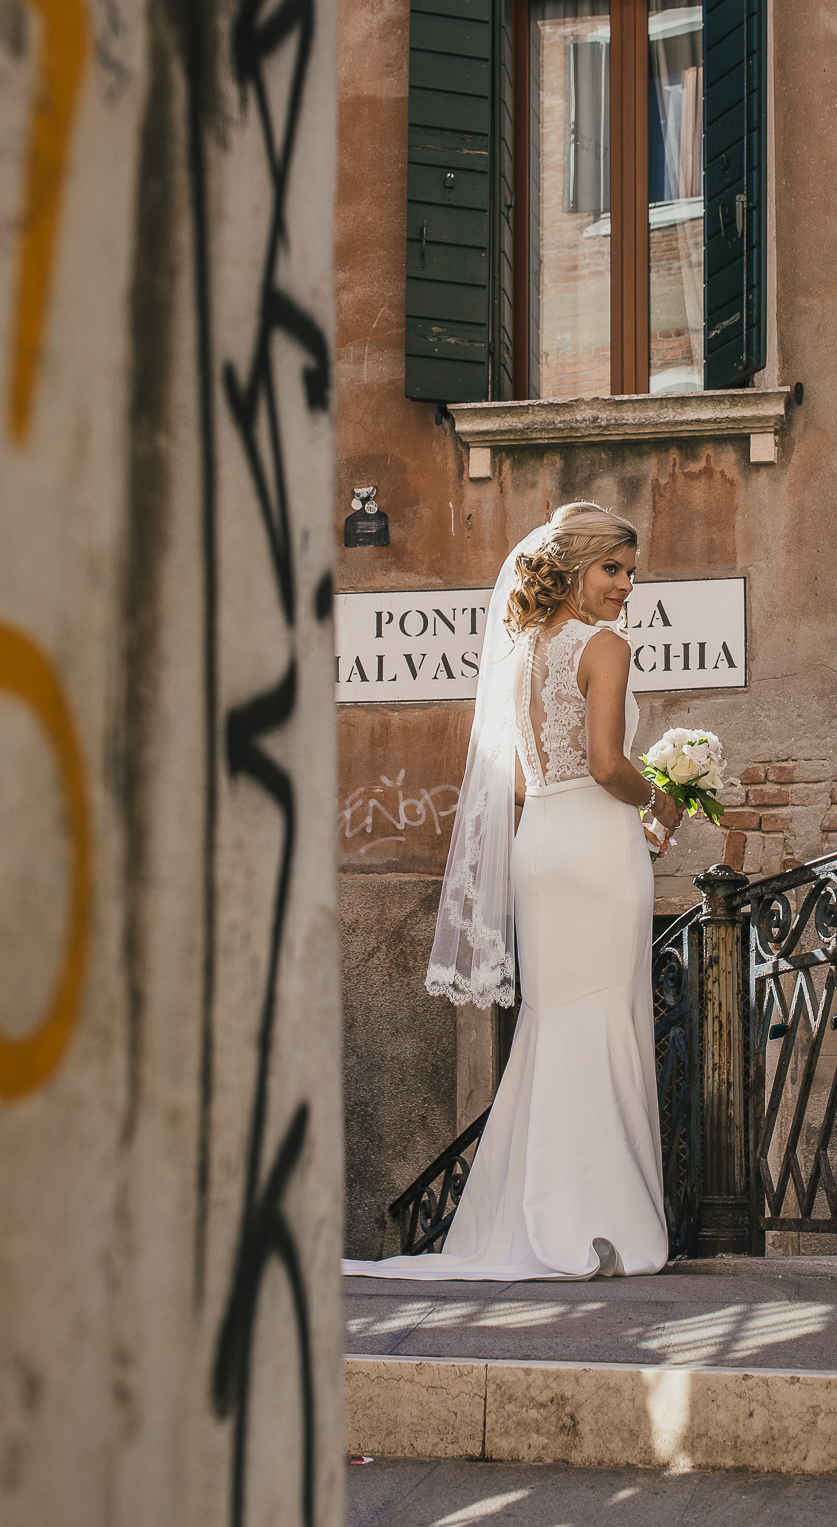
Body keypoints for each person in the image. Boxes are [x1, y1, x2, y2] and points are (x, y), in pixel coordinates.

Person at [342, 503, 682, 1280]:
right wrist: (658, 798)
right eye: (612, 569)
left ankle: (537, 1218)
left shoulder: (524, 648)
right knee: (604, 1018)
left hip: (541, 846)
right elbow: (605, 764)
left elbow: (523, 782)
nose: (625, 587)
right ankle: (600, 1222)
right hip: (596, 847)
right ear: (572, 568)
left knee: (554, 1022)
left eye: (630, 573)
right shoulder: (604, 646)